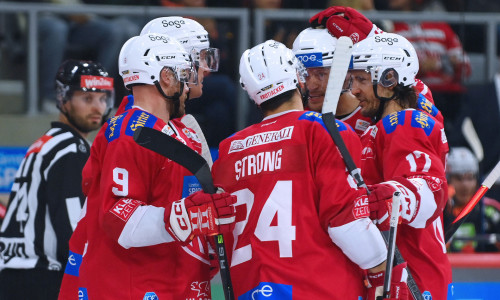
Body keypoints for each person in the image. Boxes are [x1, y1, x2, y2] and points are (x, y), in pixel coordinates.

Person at [212, 39, 410, 299]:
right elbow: (345, 222)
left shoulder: (228, 149)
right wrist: (383, 270)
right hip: (317, 288)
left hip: (250, 289)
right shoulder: (325, 130)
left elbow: (220, 241)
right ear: (298, 77)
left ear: (250, 92)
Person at [73, 33, 236, 299]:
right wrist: (188, 216)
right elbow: (119, 218)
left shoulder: (179, 134)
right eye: (183, 75)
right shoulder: (130, 132)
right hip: (136, 288)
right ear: (166, 78)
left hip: (176, 282)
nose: (187, 87)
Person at [347, 32, 452, 299]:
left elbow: (430, 190)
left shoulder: (404, 123)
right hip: (399, 276)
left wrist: (398, 197)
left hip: (413, 280)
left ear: (389, 80)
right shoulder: (381, 128)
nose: (354, 90)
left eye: (361, 79)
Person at [0, 59, 114, 299]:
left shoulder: (46, 142)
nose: (97, 107)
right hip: (42, 277)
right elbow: (73, 228)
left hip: (13, 273)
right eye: (86, 98)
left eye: (102, 99)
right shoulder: (73, 149)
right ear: (63, 99)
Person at [444, 147, 500, 252]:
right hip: (450, 267)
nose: (465, 185)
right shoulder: (439, 212)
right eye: (458, 178)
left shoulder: (491, 211)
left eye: (470, 178)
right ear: (448, 179)